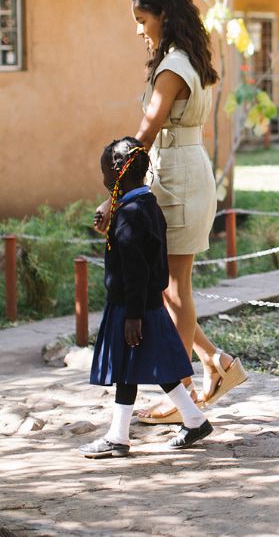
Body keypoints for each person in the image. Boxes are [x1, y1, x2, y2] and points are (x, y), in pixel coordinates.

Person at [95, 0, 246, 424]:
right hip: (182, 169)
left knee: (174, 288)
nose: (139, 30)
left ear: (163, 15)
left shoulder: (173, 67)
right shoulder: (186, 59)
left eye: (142, 21)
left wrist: (113, 195)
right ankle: (216, 363)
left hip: (176, 176)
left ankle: (181, 395)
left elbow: (144, 134)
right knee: (167, 287)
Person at [82, 138, 213, 458]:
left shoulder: (130, 215)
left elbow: (136, 269)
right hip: (147, 305)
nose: (103, 181)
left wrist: (133, 316)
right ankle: (194, 420)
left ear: (117, 173)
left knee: (129, 369)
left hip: (132, 306)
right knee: (156, 367)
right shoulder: (146, 206)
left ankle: (118, 436)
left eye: (104, 173)